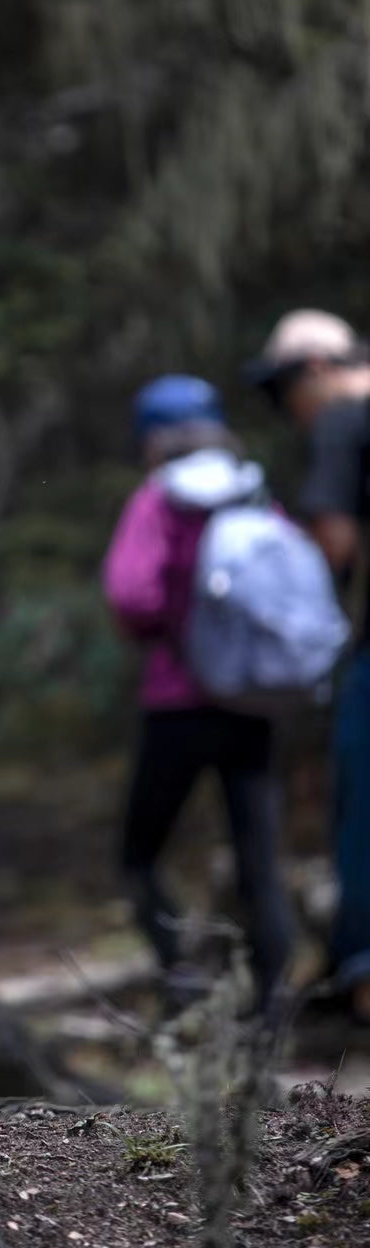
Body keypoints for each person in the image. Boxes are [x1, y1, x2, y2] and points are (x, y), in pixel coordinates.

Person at [103, 375, 294, 1018]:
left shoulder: (158, 500)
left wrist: (166, 631)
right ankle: (273, 1009)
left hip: (177, 704)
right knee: (258, 860)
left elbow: (131, 594)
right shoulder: (255, 490)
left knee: (139, 853)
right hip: (252, 702)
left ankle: (180, 976)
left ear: (152, 438)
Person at [244, 309, 370, 1022]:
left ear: (316, 370)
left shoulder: (343, 418)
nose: (288, 413)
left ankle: (362, 976)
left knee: (362, 809)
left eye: (282, 392)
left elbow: (334, 544)